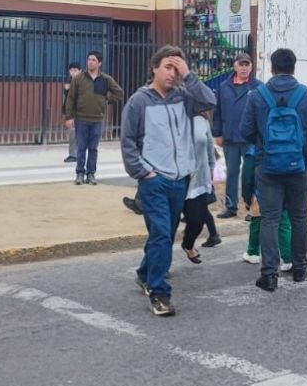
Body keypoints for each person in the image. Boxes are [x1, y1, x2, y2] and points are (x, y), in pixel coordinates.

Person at [121, 46, 216, 316]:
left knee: (163, 234)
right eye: (168, 67)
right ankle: (159, 293)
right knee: (162, 233)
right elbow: (127, 141)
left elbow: (209, 102)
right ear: (154, 68)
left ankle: (144, 272)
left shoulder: (184, 97)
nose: (172, 73)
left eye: (177, 68)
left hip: (180, 179)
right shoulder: (139, 101)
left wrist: (189, 76)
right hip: (154, 180)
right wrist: (143, 172)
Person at [240, 48, 307, 291]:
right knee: (299, 217)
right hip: (299, 166)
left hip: (267, 167)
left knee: (270, 218)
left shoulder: (258, 95)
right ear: (294, 67)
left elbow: (245, 131)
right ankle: (299, 268)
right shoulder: (306, 95)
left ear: (272, 67)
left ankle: (269, 275)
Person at [212, 52, 261, 218]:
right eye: (241, 64)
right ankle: (231, 206)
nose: (244, 68)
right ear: (235, 66)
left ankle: (250, 208)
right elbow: (217, 112)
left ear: (251, 67)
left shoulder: (258, 87)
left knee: (250, 175)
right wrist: (217, 133)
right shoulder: (224, 87)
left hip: (250, 139)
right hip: (230, 137)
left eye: (247, 64)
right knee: (232, 173)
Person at [64, 51, 124, 185]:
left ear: (99, 63)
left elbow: (119, 92)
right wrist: (69, 117)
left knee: (93, 148)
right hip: (81, 118)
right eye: (89, 59)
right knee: (81, 147)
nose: (90, 62)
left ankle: (91, 174)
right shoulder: (78, 78)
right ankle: (79, 173)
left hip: (97, 119)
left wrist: (107, 99)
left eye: (93, 60)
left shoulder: (105, 79)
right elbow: (71, 98)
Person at [241, 143, 294, 271]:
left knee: (258, 222)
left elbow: (247, 178)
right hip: (284, 190)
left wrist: (247, 197)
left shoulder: (253, 151)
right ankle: (289, 258)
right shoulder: (285, 145)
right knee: (284, 224)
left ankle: (253, 252)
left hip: (261, 192)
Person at [180, 110, 222, 263]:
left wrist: (211, 168)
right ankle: (157, 268)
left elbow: (210, 146)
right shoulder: (170, 115)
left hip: (198, 178)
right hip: (174, 178)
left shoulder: (201, 119)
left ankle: (188, 244)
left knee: (197, 221)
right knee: (167, 227)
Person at [62, 62, 82, 163]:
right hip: (70, 112)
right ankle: (75, 153)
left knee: (74, 133)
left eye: (75, 70)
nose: (73, 72)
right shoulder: (69, 82)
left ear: (80, 71)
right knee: (72, 133)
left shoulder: (81, 82)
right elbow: (67, 99)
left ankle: (74, 154)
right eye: (71, 70)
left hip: (78, 112)